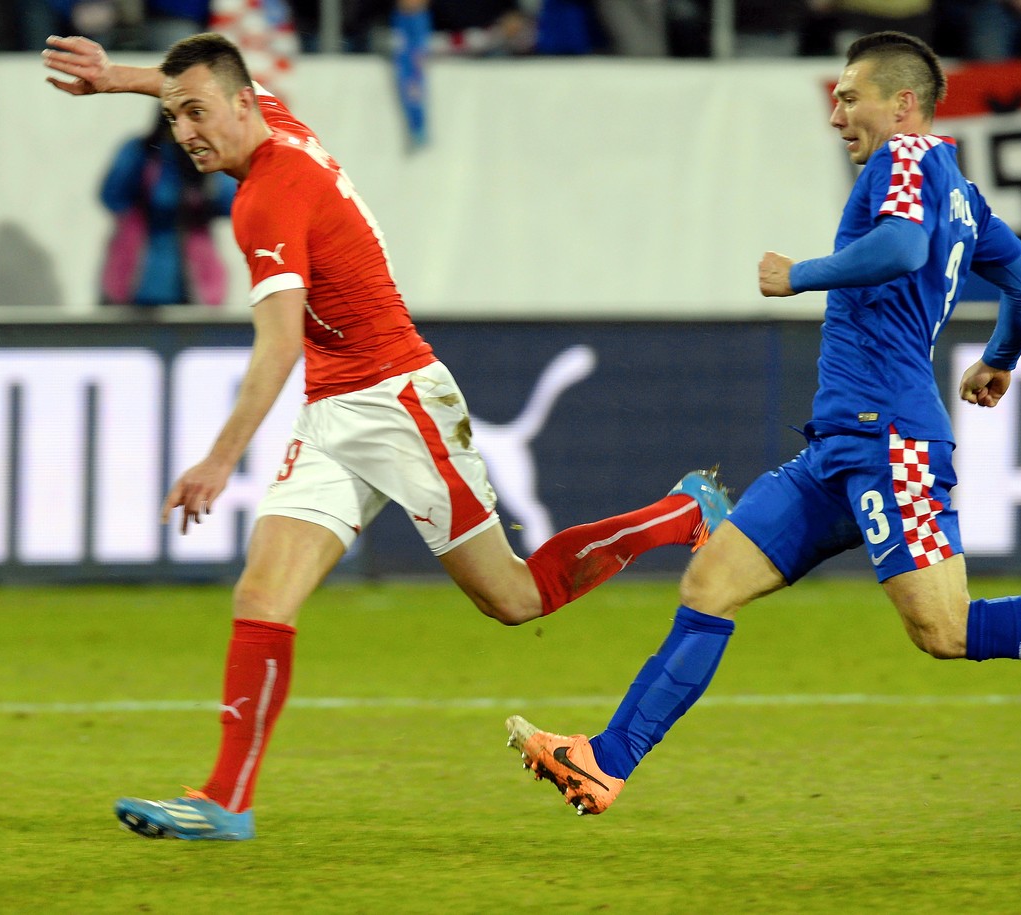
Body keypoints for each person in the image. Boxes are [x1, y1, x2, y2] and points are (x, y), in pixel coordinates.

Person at [506, 30, 1021, 818]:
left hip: (893, 442)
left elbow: (904, 245)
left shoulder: (906, 159)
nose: (838, 113)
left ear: (903, 103)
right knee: (710, 583)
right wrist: (999, 360)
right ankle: (607, 761)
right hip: (840, 448)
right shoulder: (963, 191)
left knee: (945, 630)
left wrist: (800, 275)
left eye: (850, 96)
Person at [42, 31, 732, 840]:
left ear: (238, 105)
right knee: (262, 593)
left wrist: (218, 458)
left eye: (196, 113)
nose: (185, 130)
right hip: (334, 409)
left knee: (512, 598)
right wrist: (115, 81)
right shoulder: (270, 118)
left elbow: (279, 342)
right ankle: (226, 800)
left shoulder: (267, 196)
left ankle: (679, 515)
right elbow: (197, 85)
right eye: (173, 117)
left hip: (397, 400)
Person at [99, 111, 233, 307]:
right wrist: (142, 158)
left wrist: (206, 169)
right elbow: (112, 197)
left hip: (193, 278)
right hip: (137, 274)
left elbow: (230, 203)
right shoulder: (142, 152)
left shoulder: (204, 155)